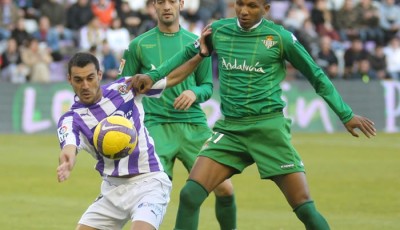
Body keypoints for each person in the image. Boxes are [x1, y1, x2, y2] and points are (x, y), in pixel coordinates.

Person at [127, 0, 377, 229]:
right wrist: (153, 76)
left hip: (268, 129)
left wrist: (345, 114)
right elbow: (185, 55)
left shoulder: (280, 38)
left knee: (304, 208)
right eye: (239, 4)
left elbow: (317, 76)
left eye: (252, 6)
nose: (244, 11)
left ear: (266, 9)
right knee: (190, 194)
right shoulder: (219, 31)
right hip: (231, 130)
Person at [118, 0, 237, 229]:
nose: (166, 6)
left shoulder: (196, 43)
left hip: (193, 126)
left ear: (181, 3)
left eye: (172, 1)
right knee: (151, 195)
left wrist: (194, 92)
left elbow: (207, 86)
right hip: (155, 126)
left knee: (225, 188)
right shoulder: (138, 45)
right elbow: (123, 90)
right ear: (153, 5)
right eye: (161, 1)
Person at [57, 51, 200, 230]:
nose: (85, 85)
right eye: (78, 80)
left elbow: (170, 78)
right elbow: (69, 146)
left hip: (149, 182)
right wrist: (67, 161)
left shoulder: (126, 87)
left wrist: (200, 55)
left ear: (100, 75)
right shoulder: (71, 119)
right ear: (69, 79)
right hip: (112, 190)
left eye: (90, 78)